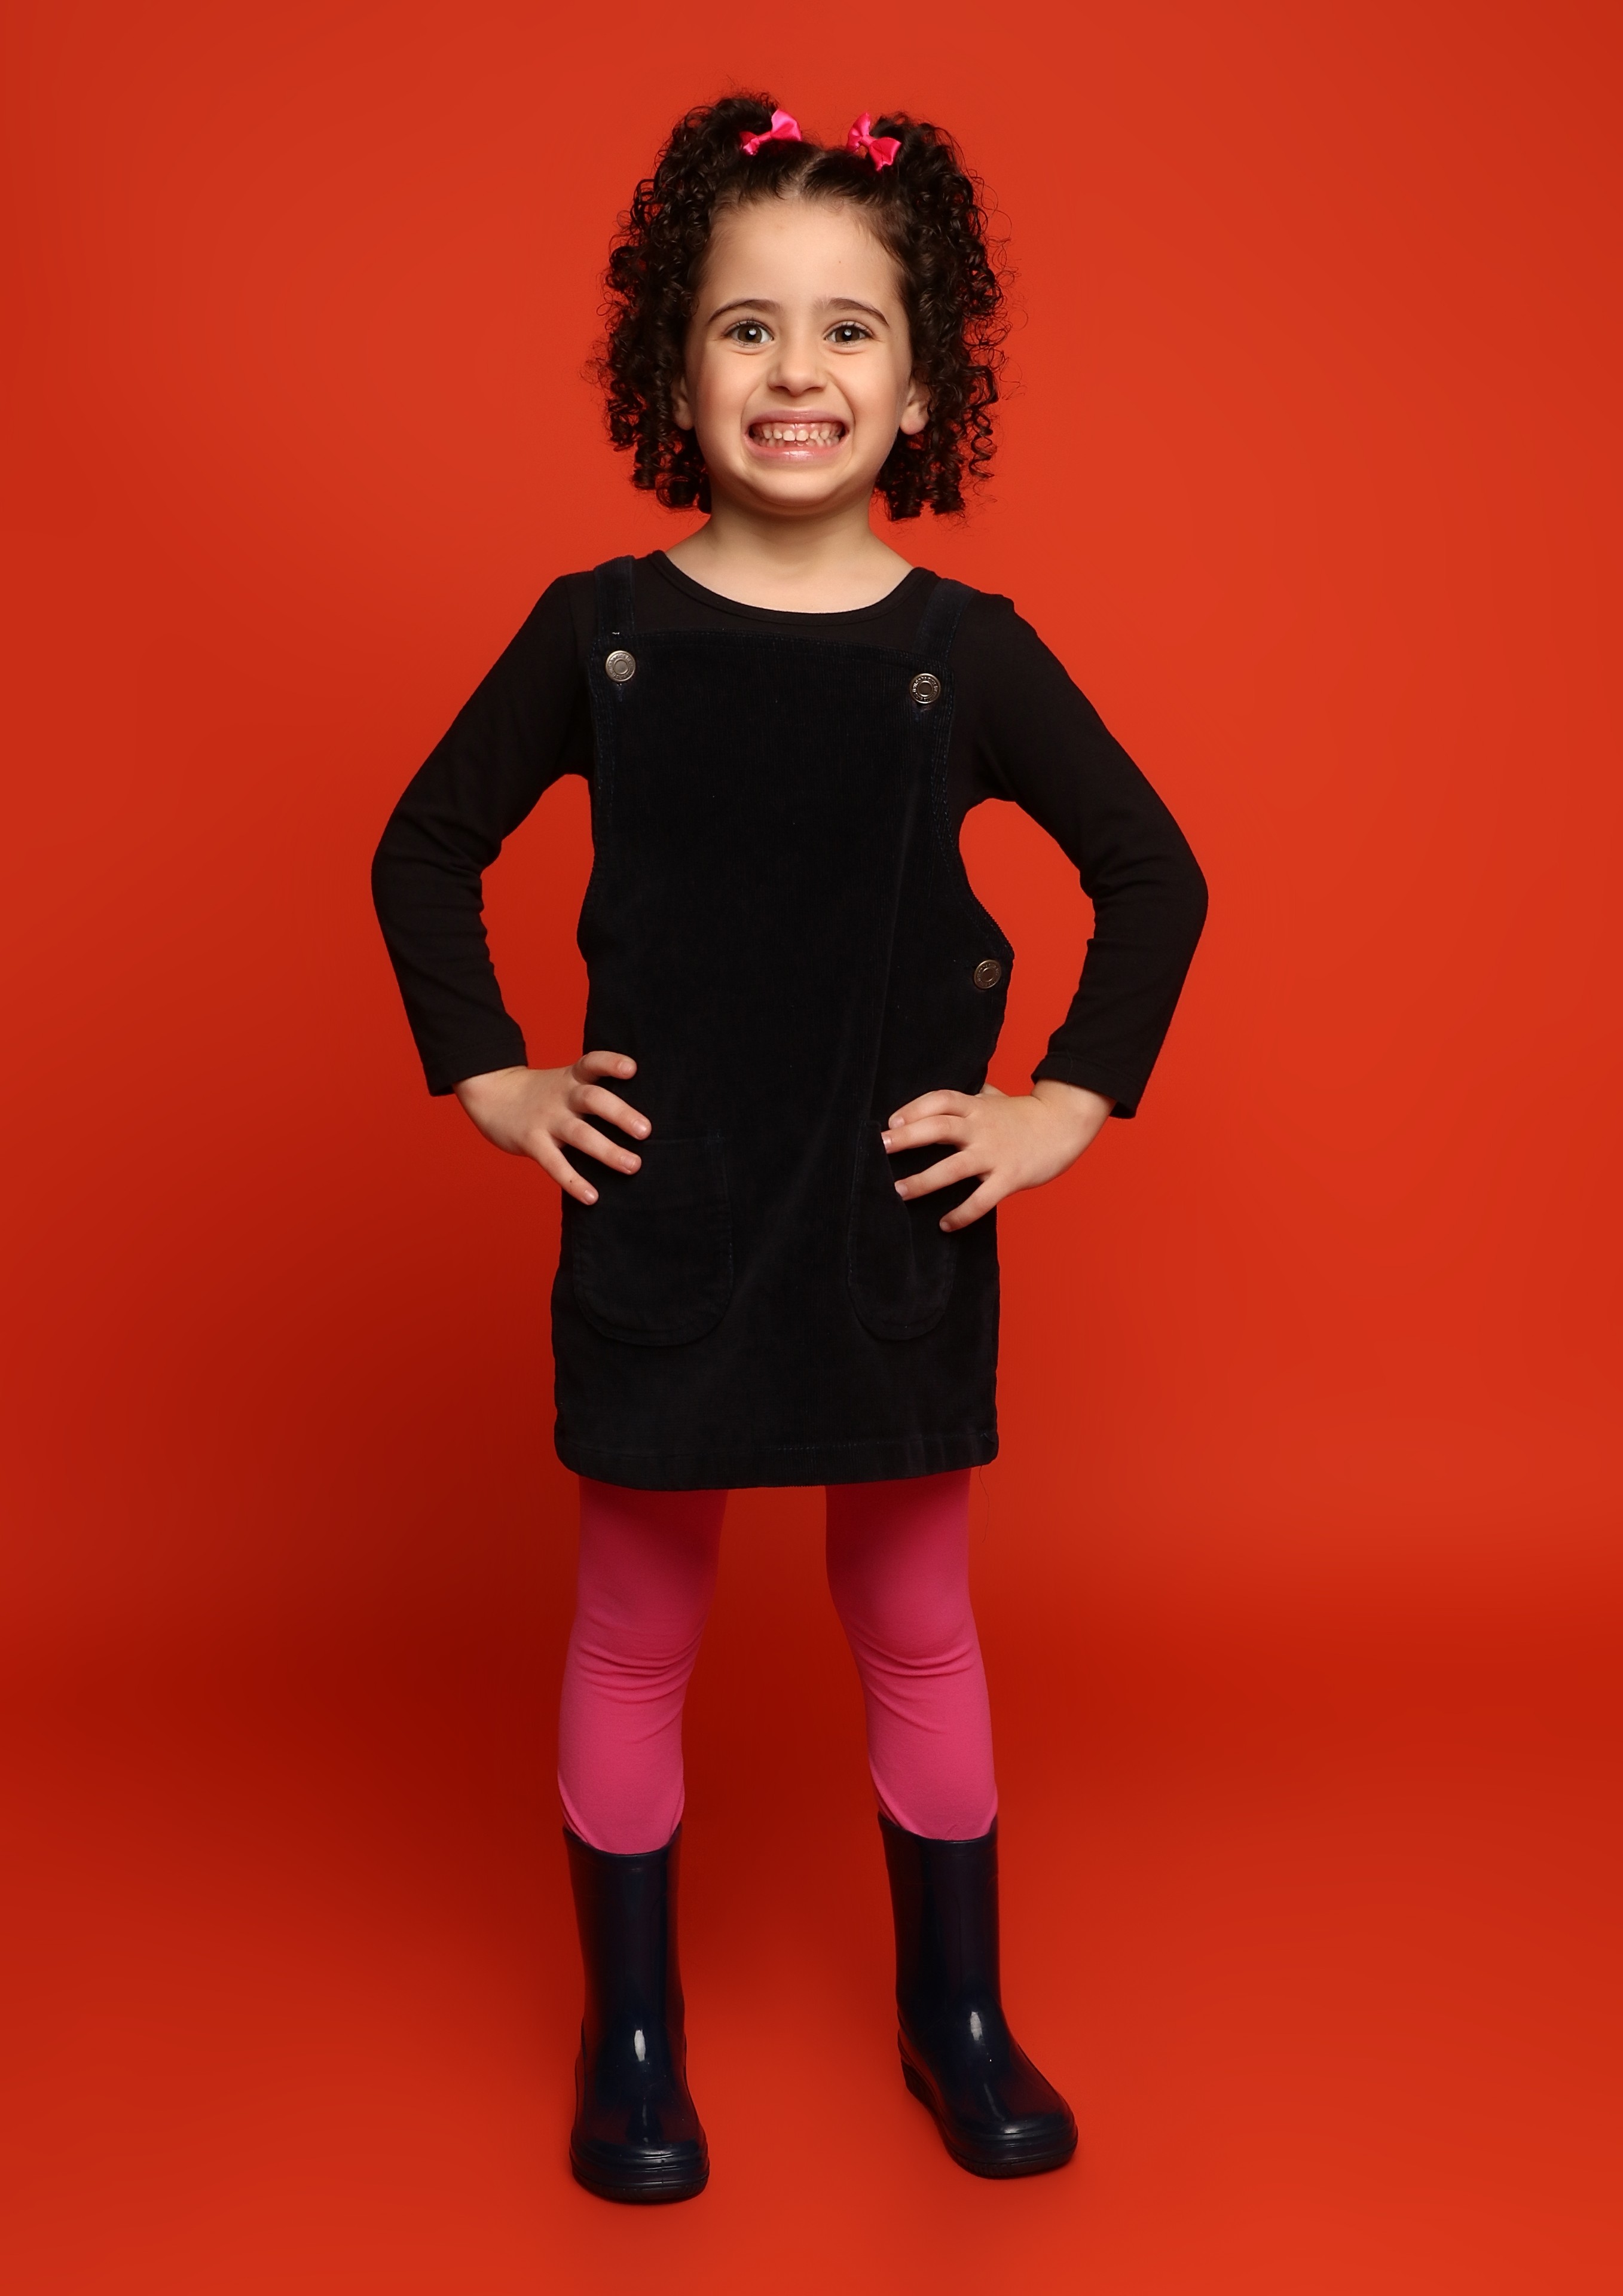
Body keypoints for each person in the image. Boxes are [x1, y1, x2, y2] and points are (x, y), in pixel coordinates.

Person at [372, 94, 1206, 2203]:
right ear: (672, 372)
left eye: (849, 331)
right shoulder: (597, 635)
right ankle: (633, 2036)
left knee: (911, 1613)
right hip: (666, 1216)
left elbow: (1153, 875)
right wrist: (493, 1077)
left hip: (877, 1222)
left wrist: (1058, 1106)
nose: (796, 371)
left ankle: (954, 2012)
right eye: (746, 327)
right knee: (636, 1621)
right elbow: (424, 848)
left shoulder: (961, 655)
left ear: (921, 388)